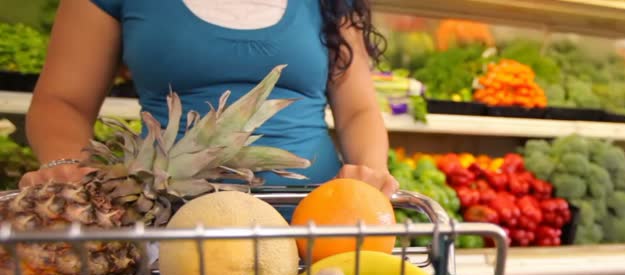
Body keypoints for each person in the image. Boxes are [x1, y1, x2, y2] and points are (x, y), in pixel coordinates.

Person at [19, 0, 399, 197]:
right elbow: (62, 101)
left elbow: (358, 111)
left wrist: (369, 171)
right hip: (168, 227)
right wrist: (68, 165)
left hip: (316, 223)